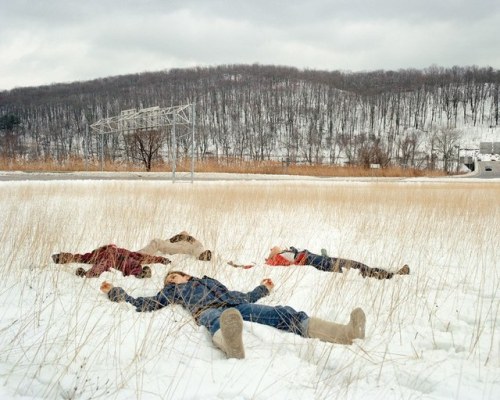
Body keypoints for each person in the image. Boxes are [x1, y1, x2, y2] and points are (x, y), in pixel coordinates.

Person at [100, 271, 366, 359]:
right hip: (210, 311)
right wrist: (116, 292)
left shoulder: (209, 281)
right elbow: (144, 302)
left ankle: (345, 333)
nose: (171, 280)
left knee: (282, 313)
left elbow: (242, 296)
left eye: (174, 276)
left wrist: (263, 289)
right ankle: (231, 344)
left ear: (186, 274)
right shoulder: (172, 293)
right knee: (217, 321)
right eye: (168, 280)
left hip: (234, 304)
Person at [229, 246, 410, 280]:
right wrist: (237, 266)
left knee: (355, 265)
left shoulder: (284, 254)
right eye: (271, 252)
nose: (272, 249)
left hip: (317, 258)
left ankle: (390, 273)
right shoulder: (274, 261)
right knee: (355, 267)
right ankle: (391, 275)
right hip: (315, 261)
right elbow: (254, 266)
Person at [52, 244, 171, 278]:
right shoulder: (99, 254)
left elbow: (80, 257)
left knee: (104, 262)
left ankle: (90, 274)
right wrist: (161, 259)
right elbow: (141, 257)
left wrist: (160, 259)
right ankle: (141, 272)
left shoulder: (99, 254)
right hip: (125, 260)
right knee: (133, 262)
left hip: (122, 260)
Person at [138, 231, 212, 261]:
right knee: (157, 242)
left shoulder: (196, 244)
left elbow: (198, 247)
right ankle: (139, 255)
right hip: (180, 245)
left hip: (183, 246)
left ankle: (138, 255)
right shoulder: (194, 243)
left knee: (156, 242)